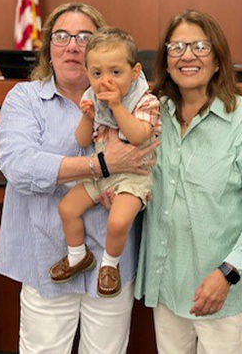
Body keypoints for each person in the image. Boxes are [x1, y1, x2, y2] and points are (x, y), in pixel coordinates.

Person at [0, 3, 159, 354]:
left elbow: (151, 159)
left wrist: (128, 179)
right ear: (48, 49)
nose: (72, 45)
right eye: (62, 36)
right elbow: (20, 165)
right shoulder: (24, 99)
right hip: (48, 260)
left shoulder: (137, 101)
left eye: (84, 37)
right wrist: (102, 164)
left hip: (111, 264)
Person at [135, 9, 242, 354]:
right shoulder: (152, 115)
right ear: (166, 60)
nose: (187, 55)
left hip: (219, 289)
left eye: (200, 47)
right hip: (166, 283)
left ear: (218, 60)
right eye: (176, 48)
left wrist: (227, 272)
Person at [50, 27, 161, 298]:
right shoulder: (92, 98)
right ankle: (77, 256)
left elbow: (138, 136)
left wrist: (117, 107)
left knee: (118, 222)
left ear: (134, 72)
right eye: (97, 73)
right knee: (66, 208)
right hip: (101, 172)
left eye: (115, 72)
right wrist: (88, 117)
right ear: (88, 72)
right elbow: (81, 139)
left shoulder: (145, 100)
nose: (105, 81)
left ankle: (109, 265)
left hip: (133, 176)